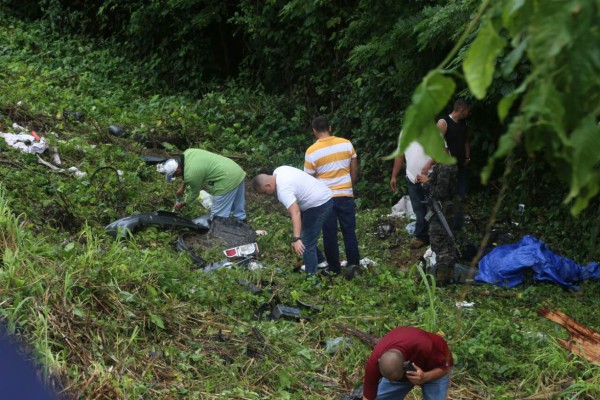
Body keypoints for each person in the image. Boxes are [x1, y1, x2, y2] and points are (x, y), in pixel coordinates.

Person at [252, 166, 333, 276]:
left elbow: (296, 213)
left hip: (319, 204)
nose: (267, 195)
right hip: (320, 195)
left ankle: (311, 277)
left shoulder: (283, 190)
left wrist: (296, 239)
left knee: (306, 242)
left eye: (265, 192)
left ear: (268, 185)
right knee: (305, 235)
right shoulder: (279, 170)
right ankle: (320, 261)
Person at [304, 116, 360, 274]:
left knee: (329, 234)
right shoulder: (346, 143)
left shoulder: (311, 151)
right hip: (346, 194)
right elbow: (354, 170)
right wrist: (350, 185)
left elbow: (308, 179)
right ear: (330, 127)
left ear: (314, 131)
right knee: (349, 231)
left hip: (325, 198)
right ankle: (354, 265)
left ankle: (334, 268)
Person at [362, 326, 453, 400]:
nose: (390, 381)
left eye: (394, 378)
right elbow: (368, 397)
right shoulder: (374, 363)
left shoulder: (426, 346)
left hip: (433, 368)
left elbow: (445, 368)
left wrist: (425, 376)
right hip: (400, 370)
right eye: (387, 378)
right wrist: (394, 377)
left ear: (405, 365)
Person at [157, 149, 247, 222]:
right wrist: (182, 188)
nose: (175, 177)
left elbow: (194, 194)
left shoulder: (192, 175)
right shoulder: (188, 153)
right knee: (238, 209)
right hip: (235, 171)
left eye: (174, 175)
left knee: (217, 217)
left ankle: (219, 238)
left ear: (178, 171)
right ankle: (242, 224)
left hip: (225, 180)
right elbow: (186, 171)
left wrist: (183, 203)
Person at [418, 163, 458, 286]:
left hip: (442, 211)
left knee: (440, 244)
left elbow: (441, 193)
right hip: (443, 210)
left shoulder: (445, 167)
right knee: (447, 245)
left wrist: (427, 182)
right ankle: (448, 276)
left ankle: (441, 279)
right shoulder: (442, 165)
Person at [390, 140, 433, 249]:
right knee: (418, 208)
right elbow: (400, 155)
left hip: (431, 177)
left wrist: (430, 163)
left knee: (434, 208)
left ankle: (436, 236)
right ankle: (422, 237)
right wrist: (394, 175)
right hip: (412, 178)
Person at [436, 98, 471, 231]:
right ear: (462, 110)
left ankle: (457, 226)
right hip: (447, 169)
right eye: (468, 111)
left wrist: (468, 157)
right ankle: (444, 226)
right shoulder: (443, 123)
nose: (469, 113)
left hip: (461, 166)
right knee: (446, 197)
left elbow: (466, 141)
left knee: (460, 196)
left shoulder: (464, 123)